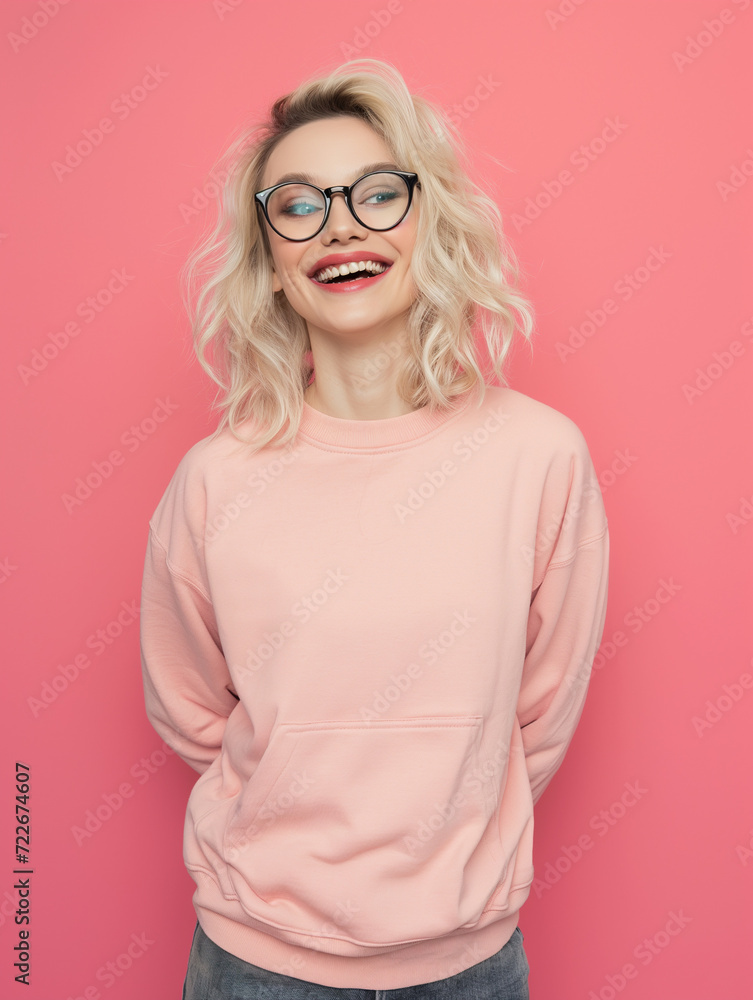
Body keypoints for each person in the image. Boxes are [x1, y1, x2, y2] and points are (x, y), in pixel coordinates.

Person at [139, 58, 609, 1000]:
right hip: (253, 963)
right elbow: (190, 708)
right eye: (299, 204)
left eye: (376, 193)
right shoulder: (214, 480)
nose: (341, 224)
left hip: (467, 966)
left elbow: (539, 716)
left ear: (429, 220)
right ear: (269, 258)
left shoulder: (537, 457)